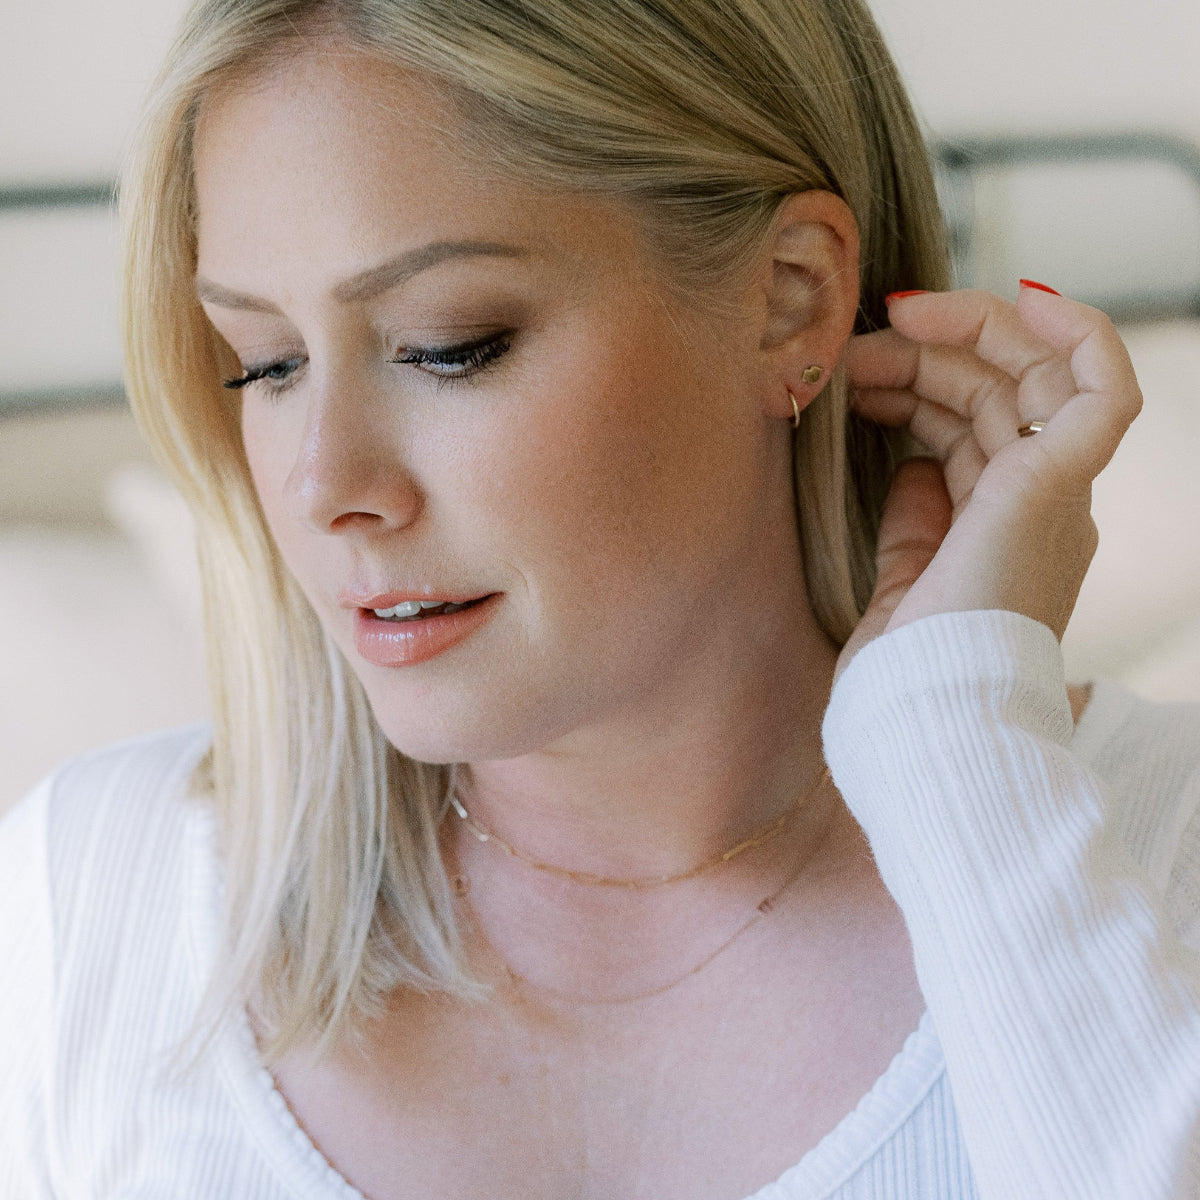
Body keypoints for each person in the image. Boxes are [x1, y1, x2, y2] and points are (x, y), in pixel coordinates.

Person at [1, 0, 1197, 1197]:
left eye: (448, 344)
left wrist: (958, 748)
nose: (325, 488)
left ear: (791, 297)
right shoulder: (93, 906)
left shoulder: (1163, 846)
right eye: (265, 364)